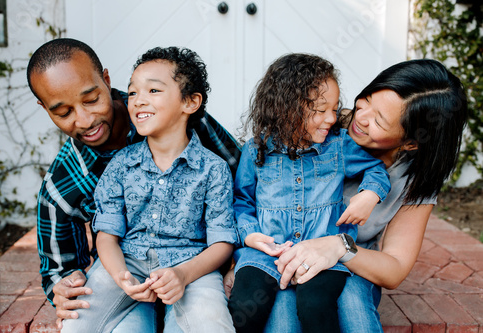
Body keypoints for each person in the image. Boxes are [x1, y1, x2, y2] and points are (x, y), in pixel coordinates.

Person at [223, 58, 468, 332]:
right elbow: (247, 200)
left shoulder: (413, 180)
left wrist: (339, 246)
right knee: (280, 314)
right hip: (280, 254)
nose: (359, 118)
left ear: (411, 142)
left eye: (378, 120)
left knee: (353, 308)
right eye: (366, 101)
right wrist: (243, 261)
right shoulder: (325, 123)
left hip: (351, 263)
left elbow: (395, 268)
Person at [26, 38, 241, 331]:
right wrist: (64, 288)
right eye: (63, 112)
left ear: (106, 80)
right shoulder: (61, 186)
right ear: (45, 108)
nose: (85, 119)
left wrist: (238, 263)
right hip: (127, 277)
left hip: (193, 269)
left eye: (91, 100)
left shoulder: (185, 119)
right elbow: (60, 270)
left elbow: (245, 189)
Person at [227, 53, 391, 333]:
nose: (332, 118)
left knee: (315, 305)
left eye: (335, 108)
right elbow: (242, 201)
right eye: (319, 110)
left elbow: (377, 170)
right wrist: (251, 235)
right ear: (285, 109)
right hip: (267, 254)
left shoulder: (338, 146)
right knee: (245, 307)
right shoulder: (256, 150)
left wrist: (369, 194)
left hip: (322, 253)